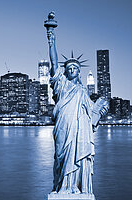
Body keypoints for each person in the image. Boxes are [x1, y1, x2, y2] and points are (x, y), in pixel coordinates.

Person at [46, 28, 108, 194]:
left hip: (79, 129)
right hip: (63, 126)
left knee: (77, 155)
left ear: (79, 71)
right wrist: (52, 42)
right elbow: (54, 62)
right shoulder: (61, 84)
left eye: (75, 67)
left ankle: (74, 186)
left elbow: (91, 115)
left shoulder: (82, 91)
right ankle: (60, 187)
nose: (71, 69)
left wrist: (101, 109)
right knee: (61, 156)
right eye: (69, 67)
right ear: (65, 71)